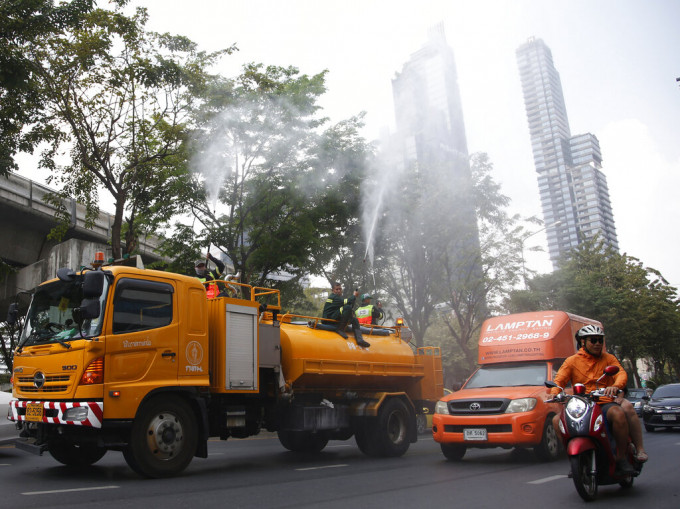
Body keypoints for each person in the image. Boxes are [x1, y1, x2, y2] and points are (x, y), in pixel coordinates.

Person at [550, 324, 642, 475]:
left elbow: (620, 374)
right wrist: (554, 392)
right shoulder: (571, 361)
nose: (598, 343)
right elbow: (559, 380)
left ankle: (620, 458)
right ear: (583, 342)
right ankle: (576, 458)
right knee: (556, 421)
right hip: (581, 405)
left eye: (600, 340)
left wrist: (616, 386)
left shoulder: (609, 358)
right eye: (593, 340)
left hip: (604, 402)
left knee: (618, 414)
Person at [322, 282, 370, 348]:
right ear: (332, 290)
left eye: (340, 289)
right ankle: (340, 329)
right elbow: (347, 302)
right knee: (347, 307)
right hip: (329, 319)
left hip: (334, 317)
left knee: (355, 320)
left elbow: (347, 305)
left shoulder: (337, 298)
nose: (339, 291)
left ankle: (359, 339)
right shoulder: (333, 297)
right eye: (337, 289)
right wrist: (354, 296)